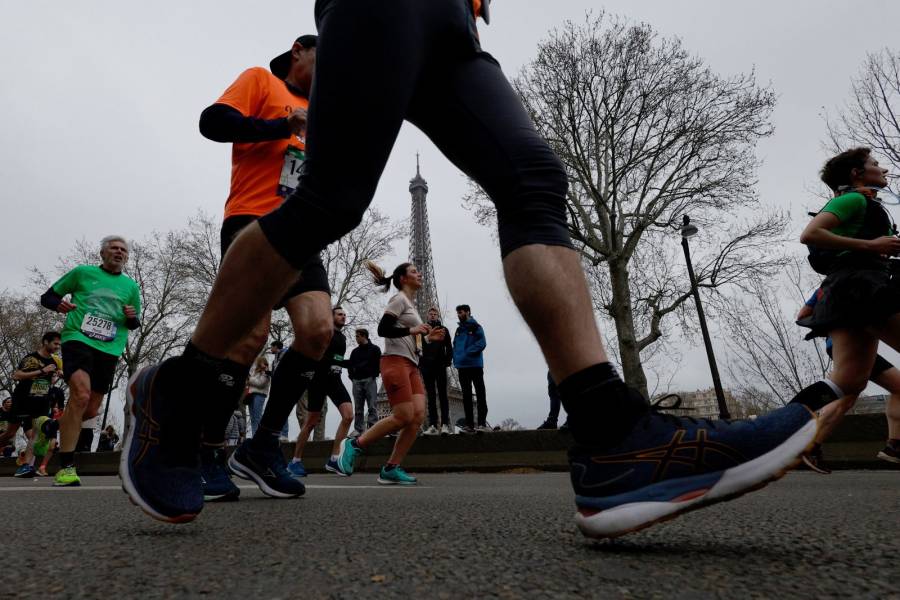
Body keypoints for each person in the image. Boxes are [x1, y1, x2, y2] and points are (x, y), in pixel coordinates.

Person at [123, 2, 819, 537]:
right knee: (333, 200)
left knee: (535, 179)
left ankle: (613, 438)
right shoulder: (266, 86)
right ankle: (181, 393)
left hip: (453, 25)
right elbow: (218, 122)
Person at [187, 34, 330, 503]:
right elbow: (213, 122)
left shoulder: (328, 111)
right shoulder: (261, 81)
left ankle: (262, 445)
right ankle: (206, 452)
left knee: (317, 331)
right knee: (251, 336)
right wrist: (282, 124)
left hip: (302, 228)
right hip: (251, 221)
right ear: (299, 51)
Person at [332, 263, 445, 484]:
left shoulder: (411, 306)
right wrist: (413, 330)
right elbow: (383, 329)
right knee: (403, 415)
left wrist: (428, 339)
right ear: (403, 279)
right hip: (395, 362)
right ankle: (354, 444)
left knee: (417, 417)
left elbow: (410, 340)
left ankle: (391, 468)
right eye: (414, 271)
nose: (419, 273)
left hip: (412, 365)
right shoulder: (399, 299)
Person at [40, 238, 140, 488]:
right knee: (80, 395)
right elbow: (48, 297)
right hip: (78, 338)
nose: (119, 252)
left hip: (109, 348)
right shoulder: (83, 273)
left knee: (92, 409)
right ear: (102, 253)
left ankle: (54, 426)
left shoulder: (130, 286)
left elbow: (134, 322)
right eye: (114, 248)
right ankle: (66, 467)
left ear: (126, 257)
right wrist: (59, 305)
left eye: (123, 250)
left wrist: (131, 317)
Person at [798, 290, 900, 470]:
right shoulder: (857, 278)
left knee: (846, 397)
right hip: (852, 345)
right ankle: (894, 445)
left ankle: (809, 446)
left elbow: (803, 315)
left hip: (844, 344)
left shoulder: (827, 285)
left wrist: (829, 325)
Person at [273, 307, 353, 479]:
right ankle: (295, 461)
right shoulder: (325, 333)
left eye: (345, 315)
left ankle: (334, 458)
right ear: (331, 317)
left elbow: (337, 358)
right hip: (319, 380)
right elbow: (315, 353)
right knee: (311, 422)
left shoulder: (343, 337)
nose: (343, 317)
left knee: (348, 416)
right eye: (339, 314)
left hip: (335, 380)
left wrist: (346, 364)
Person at [4, 332, 61, 477]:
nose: (58, 347)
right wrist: (42, 370)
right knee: (9, 434)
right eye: (55, 343)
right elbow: (16, 375)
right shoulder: (32, 358)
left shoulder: (56, 361)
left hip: (41, 402)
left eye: (59, 344)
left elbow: (54, 377)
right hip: (23, 400)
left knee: (35, 434)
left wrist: (59, 374)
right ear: (45, 342)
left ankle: (25, 466)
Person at [453, 304, 488, 433]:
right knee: (466, 397)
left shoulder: (476, 327)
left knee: (480, 394)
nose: (458, 314)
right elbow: (455, 345)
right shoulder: (458, 330)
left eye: (460, 312)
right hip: (462, 367)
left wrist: (467, 353)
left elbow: (482, 342)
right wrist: (456, 358)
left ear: (468, 312)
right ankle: (469, 425)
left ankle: (482, 424)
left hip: (474, 365)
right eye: (457, 313)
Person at [420, 307, 453, 435]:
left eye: (435, 314)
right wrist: (421, 364)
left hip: (439, 365)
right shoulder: (422, 330)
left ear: (437, 316)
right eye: (431, 314)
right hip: (427, 366)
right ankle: (433, 425)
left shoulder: (444, 330)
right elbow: (418, 346)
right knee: (431, 396)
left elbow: (449, 347)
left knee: (443, 395)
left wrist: (447, 361)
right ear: (427, 316)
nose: (433, 315)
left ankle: (445, 424)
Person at [347, 328, 381, 437]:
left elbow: (379, 363)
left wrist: (373, 375)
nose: (356, 338)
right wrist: (352, 377)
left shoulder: (375, 349)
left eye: (357, 336)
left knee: (372, 405)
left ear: (363, 336)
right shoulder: (354, 352)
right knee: (358, 407)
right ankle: (358, 429)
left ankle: (373, 427)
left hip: (369, 380)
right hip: (357, 381)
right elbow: (350, 364)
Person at [245, 357, 271, 437]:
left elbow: (261, 383)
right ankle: (254, 436)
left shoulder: (266, 371)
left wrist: (249, 380)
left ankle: (259, 436)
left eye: (258, 362)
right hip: (251, 395)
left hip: (259, 395)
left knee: (257, 417)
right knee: (253, 417)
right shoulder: (254, 372)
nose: (256, 364)